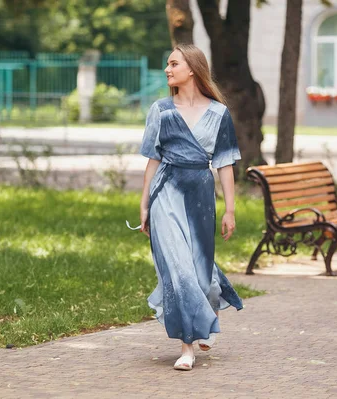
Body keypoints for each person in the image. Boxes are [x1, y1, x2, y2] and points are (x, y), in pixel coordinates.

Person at [138, 44, 243, 371]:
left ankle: (205, 316)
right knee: (179, 271)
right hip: (165, 192)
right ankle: (187, 346)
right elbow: (152, 160)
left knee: (199, 270)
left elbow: (224, 163)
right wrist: (144, 206)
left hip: (200, 193)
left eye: (173, 63)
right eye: (167, 64)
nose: (167, 69)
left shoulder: (218, 113)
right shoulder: (160, 110)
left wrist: (230, 209)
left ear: (193, 69)